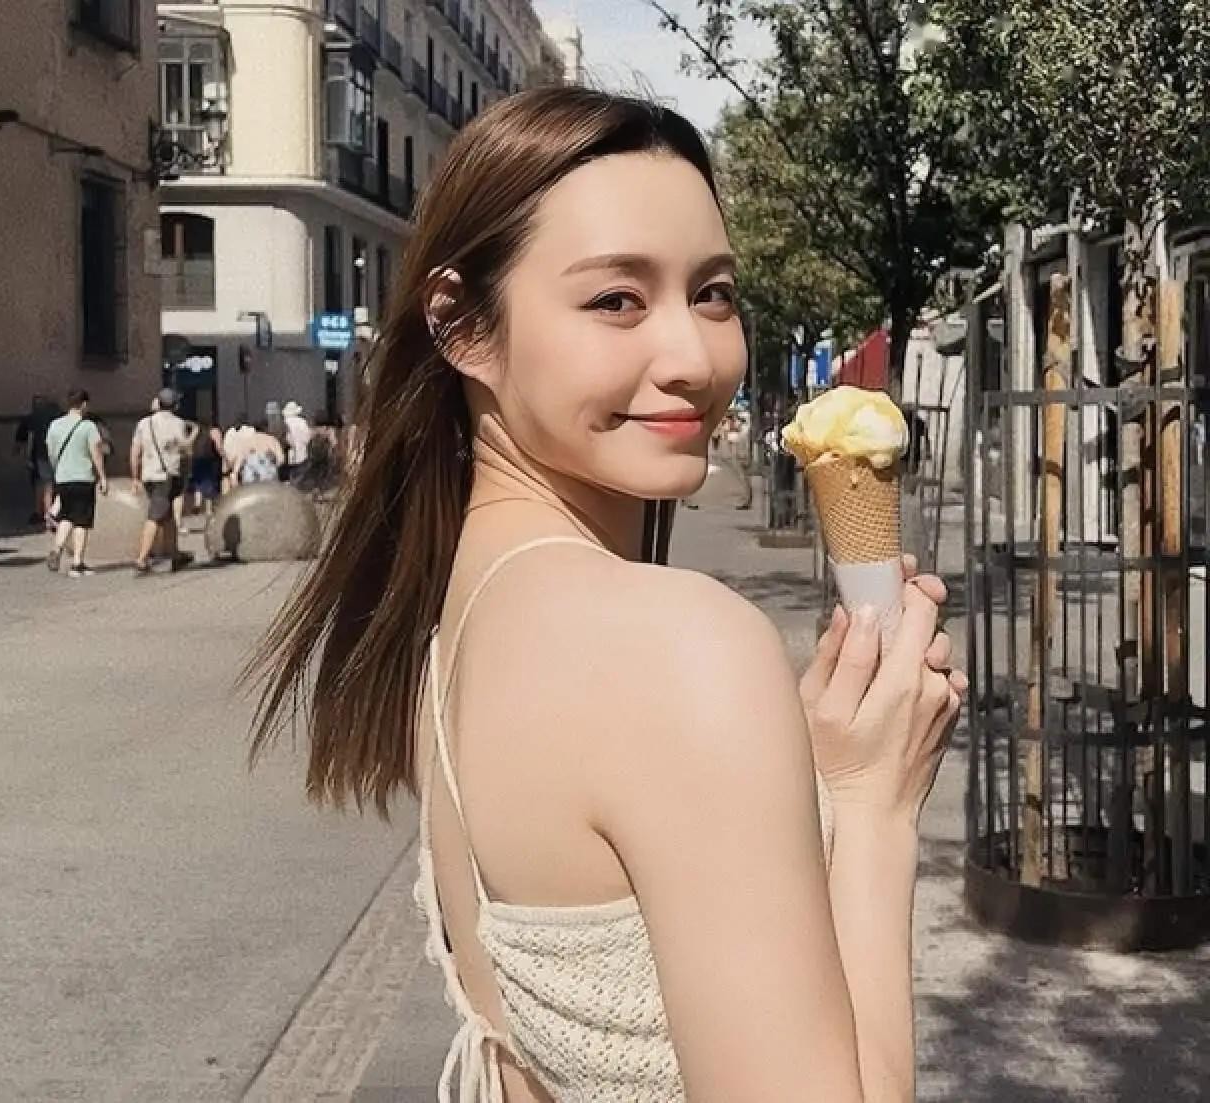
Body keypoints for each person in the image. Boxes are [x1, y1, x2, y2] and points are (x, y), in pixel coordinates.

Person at [247, 89, 965, 1103]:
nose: (693, 359)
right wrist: (873, 803)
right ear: (461, 325)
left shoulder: (459, 625)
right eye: (617, 300)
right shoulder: (675, 645)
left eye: (712, 293)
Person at [130, 388, 196, 577]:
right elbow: (186, 450)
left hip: (149, 474)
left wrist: (135, 477)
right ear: (176, 405)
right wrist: (194, 434)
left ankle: (174, 553)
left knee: (167, 515)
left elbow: (135, 451)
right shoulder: (178, 424)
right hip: (166, 475)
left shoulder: (144, 423)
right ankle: (142, 559)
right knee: (155, 517)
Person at [45, 389, 109, 577]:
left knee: (66, 516)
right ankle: (77, 563)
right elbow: (96, 452)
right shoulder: (88, 426)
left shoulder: (55, 425)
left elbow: (51, 452)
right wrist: (102, 476)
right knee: (82, 521)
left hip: (62, 477)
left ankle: (57, 548)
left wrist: (58, 469)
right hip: (83, 477)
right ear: (84, 404)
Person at [14, 394, 59, 527]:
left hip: (38, 455)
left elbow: (22, 439)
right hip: (54, 454)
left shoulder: (30, 419)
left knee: (42, 484)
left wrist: (19, 453)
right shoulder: (56, 417)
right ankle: (49, 513)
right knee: (50, 485)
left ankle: (42, 512)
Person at [185, 416, 224, 527]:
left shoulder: (195, 431)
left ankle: (197, 502)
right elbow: (218, 446)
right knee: (209, 485)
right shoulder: (214, 431)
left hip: (196, 459)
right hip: (210, 460)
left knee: (198, 482)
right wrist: (223, 455)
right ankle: (208, 511)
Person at [230, 421, 285, 485]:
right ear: (266, 429)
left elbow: (236, 468)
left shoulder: (246, 442)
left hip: (250, 481)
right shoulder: (272, 439)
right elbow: (281, 460)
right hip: (269, 480)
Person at [280, 400, 312, 483]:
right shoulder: (302, 422)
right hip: (301, 452)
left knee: (290, 471)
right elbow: (307, 437)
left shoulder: (285, 422)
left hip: (290, 452)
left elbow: (284, 437)